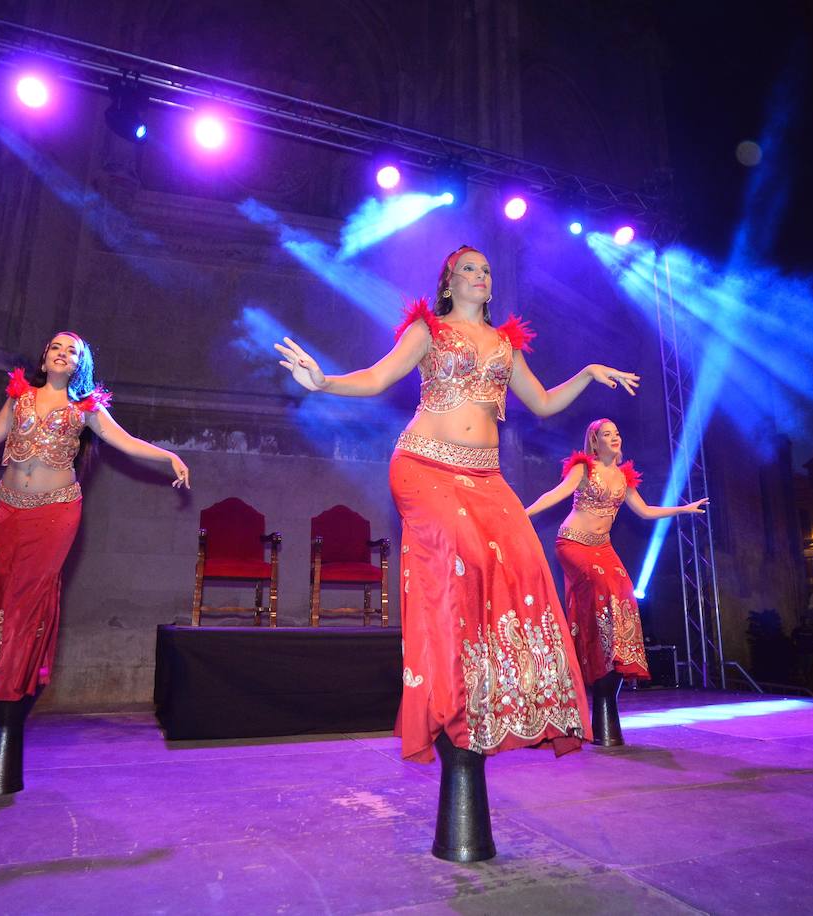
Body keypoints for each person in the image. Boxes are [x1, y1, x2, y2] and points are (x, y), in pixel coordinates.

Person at [274, 245, 638, 861]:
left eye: (487, 269)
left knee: (522, 562)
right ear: (447, 280)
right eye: (467, 267)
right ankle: (445, 695)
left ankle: (486, 699)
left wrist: (587, 375)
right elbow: (380, 376)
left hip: (487, 476)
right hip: (423, 466)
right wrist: (325, 381)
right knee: (463, 560)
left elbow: (544, 402)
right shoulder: (429, 328)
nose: (479, 274)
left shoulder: (506, 344)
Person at [0, 331, 190, 796]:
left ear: (80, 365)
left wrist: (168, 455)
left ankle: (17, 677)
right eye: (57, 346)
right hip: (7, 508)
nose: (63, 353)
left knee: (29, 599)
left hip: (56, 512)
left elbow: (126, 441)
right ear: (45, 356)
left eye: (73, 351)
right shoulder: (19, 396)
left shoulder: (86, 408)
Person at [524, 418, 706, 745]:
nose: (615, 438)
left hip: (603, 547)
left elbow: (646, 511)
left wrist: (685, 508)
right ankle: (592, 650)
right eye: (607, 435)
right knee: (601, 587)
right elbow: (556, 494)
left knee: (623, 592)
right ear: (595, 442)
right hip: (574, 544)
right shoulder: (583, 469)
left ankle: (611, 657)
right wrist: (523, 514)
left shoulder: (624, 477)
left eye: (617, 433)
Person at [790, 618, 813, 691]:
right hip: (802, 653)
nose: (805, 622)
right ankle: (807, 686)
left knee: (810, 670)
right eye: (803, 621)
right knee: (804, 670)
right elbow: (792, 640)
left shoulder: (811, 630)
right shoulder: (797, 630)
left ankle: (810, 686)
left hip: (809, 653)